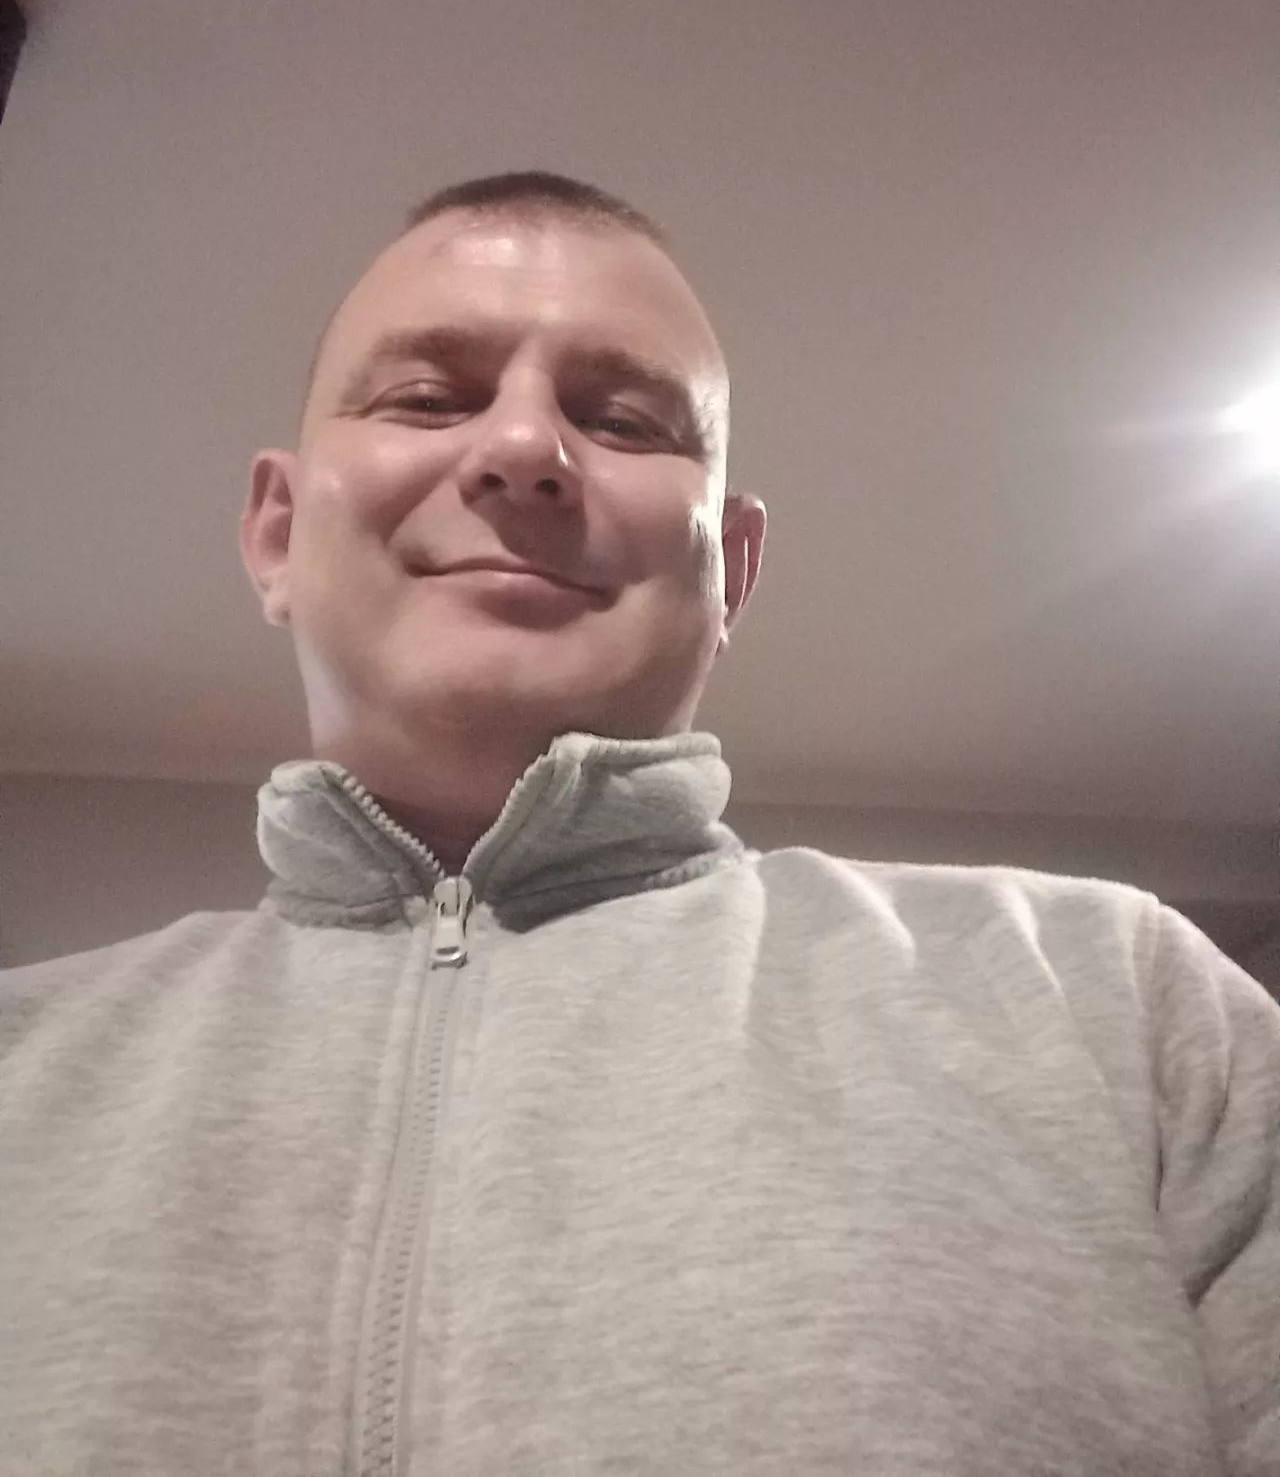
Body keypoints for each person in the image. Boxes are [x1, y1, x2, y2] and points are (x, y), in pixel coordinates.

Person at [1, 171, 1277, 1477]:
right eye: (429, 398)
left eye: (621, 419)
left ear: (733, 567)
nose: (522, 450)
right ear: (277, 531)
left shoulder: (1114, 1000)